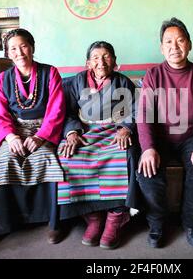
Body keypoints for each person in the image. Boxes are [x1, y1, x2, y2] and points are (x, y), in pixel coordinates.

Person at [50, 41, 140, 249]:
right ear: (88, 62)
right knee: (66, 156)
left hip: (114, 131)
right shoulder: (74, 83)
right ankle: (92, 217)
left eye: (107, 56)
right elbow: (68, 112)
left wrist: (126, 128)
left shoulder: (123, 82)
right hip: (85, 131)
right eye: (96, 58)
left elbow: (136, 110)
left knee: (124, 154)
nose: (102, 62)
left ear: (115, 61)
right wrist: (72, 133)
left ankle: (115, 217)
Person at [136, 17, 193, 248]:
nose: (175, 47)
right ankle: (157, 223)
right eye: (169, 42)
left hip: (191, 138)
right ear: (162, 48)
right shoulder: (153, 75)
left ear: (189, 44)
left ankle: (190, 222)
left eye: (180, 41)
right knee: (146, 173)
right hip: (159, 139)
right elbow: (144, 115)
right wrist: (148, 148)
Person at [0, 28, 65, 243]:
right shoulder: (3, 79)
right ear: (8, 53)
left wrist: (41, 137)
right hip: (14, 131)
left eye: (23, 46)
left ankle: (52, 222)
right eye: (13, 48)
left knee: (46, 160)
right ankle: (2, 223)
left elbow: (56, 109)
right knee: (5, 161)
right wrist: (11, 137)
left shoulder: (50, 73)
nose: (19, 52)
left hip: (43, 131)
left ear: (32, 48)